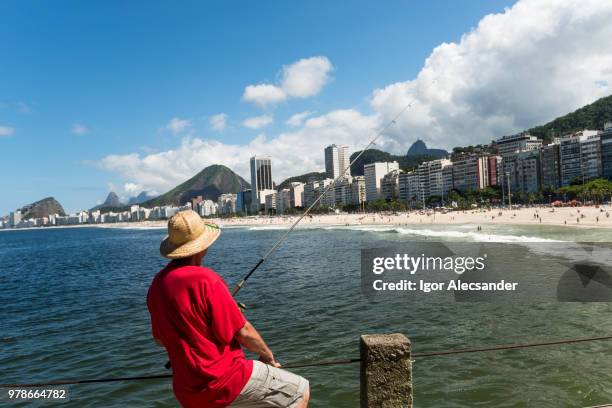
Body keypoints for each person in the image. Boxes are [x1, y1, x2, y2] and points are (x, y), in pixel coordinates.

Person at [147, 210, 310, 408]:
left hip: (186, 391)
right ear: (203, 246)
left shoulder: (156, 285)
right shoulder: (207, 280)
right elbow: (244, 332)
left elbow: (160, 339)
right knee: (300, 391)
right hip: (223, 381)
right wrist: (268, 356)